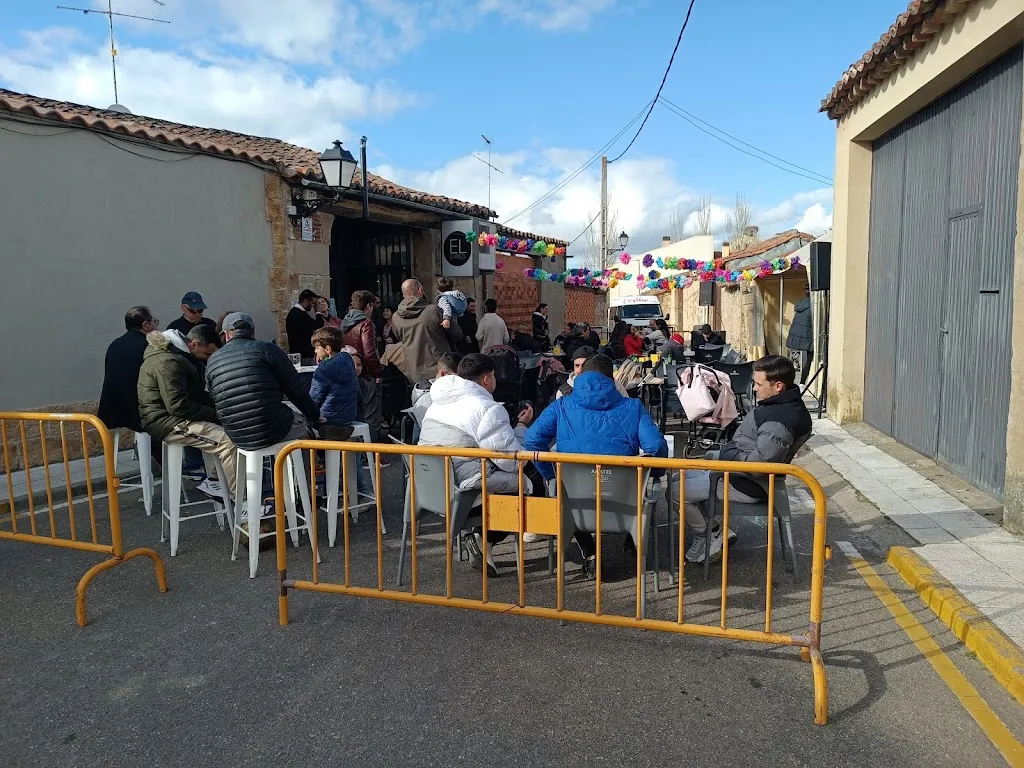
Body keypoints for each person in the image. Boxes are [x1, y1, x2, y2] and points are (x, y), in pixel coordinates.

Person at [525, 354, 667, 577]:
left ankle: (589, 552)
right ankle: (632, 540)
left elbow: (532, 441)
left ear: (581, 375)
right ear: (613, 379)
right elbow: (656, 447)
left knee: (566, 488)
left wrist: (550, 476)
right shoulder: (632, 407)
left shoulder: (561, 405)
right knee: (640, 486)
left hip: (576, 503)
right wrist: (654, 475)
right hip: (625, 501)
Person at [672, 355, 812, 563]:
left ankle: (708, 534)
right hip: (736, 472)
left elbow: (758, 467)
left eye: (758, 384)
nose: (754, 389)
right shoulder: (784, 406)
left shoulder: (779, 421)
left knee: (674, 492)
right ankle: (715, 530)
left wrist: (728, 455)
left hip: (745, 482)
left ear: (778, 386)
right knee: (676, 478)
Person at [419, 354, 543, 575]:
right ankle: (491, 535)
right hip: (465, 489)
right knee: (531, 480)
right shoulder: (486, 407)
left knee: (513, 479)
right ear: (487, 379)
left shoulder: (436, 402)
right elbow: (510, 460)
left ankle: (483, 539)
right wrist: (522, 427)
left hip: (431, 488)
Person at [137, 326, 238, 498]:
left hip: (168, 418)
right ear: (194, 344)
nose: (207, 359)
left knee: (228, 433)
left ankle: (215, 481)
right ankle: (243, 504)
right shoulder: (168, 362)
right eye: (207, 354)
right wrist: (216, 414)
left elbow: (194, 396)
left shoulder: (175, 356)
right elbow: (178, 405)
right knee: (228, 442)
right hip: (168, 422)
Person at [206, 313, 321, 450]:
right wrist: (314, 416)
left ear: (226, 334)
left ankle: (270, 469)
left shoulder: (212, 360)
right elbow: (296, 390)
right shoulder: (267, 349)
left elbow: (214, 399)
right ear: (252, 332)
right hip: (273, 430)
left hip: (237, 436)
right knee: (305, 432)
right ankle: (302, 471)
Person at [98, 306, 160, 434]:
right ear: (145, 325)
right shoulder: (148, 346)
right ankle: (155, 454)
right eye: (155, 322)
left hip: (111, 410)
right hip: (137, 411)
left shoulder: (115, 344)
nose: (157, 326)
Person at [390, 279, 463, 383]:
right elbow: (457, 334)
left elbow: (397, 337)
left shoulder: (396, 317)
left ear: (403, 295)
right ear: (420, 291)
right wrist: (452, 317)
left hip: (415, 372)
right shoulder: (434, 310)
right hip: (440, 370)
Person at [309, 327, 359, 429]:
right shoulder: (348, 360)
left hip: (328, 420)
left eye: (317, 348)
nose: (315, 351)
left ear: (327, 349)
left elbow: (314, 398)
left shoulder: (324, 369)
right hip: (349, 417)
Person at [557, 347, 628, 399]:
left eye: (585, 365)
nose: (580, 370)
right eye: (577, 365)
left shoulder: (614, 385)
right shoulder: (563, 392)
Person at [286, 289, 325, 360]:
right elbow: (318, 326)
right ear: (306, 301)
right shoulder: (299, 314)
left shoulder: (296, 313)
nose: (313, 306)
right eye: (312, 303)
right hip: (302, 354)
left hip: (300, 352)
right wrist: (318, 312)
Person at [787, 286, 814, 384]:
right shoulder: (813, 306)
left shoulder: (801, 305)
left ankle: (792, 382)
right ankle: (802, 383)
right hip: (808, 338)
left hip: (796, 339)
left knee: (795, 362)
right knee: (809, 361)